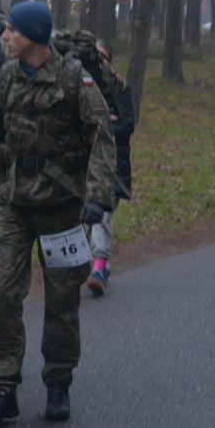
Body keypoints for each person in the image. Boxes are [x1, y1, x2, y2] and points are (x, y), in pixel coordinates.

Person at [0, 0, 116, 424]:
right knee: (1, 293)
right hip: (15, 205)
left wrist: (97, 195)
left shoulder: (74, 78)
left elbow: (101, 136)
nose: (4, 37)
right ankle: (2, 388)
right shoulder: (5, 78)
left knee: (62, 299)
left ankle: (58, 382)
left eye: (11, 30)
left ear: (33, 34)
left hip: (62, 208)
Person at [86, 39, 135, 296]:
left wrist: (102, 125)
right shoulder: (83, 86)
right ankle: (92, 265)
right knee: (85, 219)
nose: (98, 61)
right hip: (86, 164)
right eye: (94, 56)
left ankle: (99, 267)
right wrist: (106, 121)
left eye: (102, 56)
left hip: (115, 165)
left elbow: (127, 126)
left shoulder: (121, 88)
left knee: (102, 215)